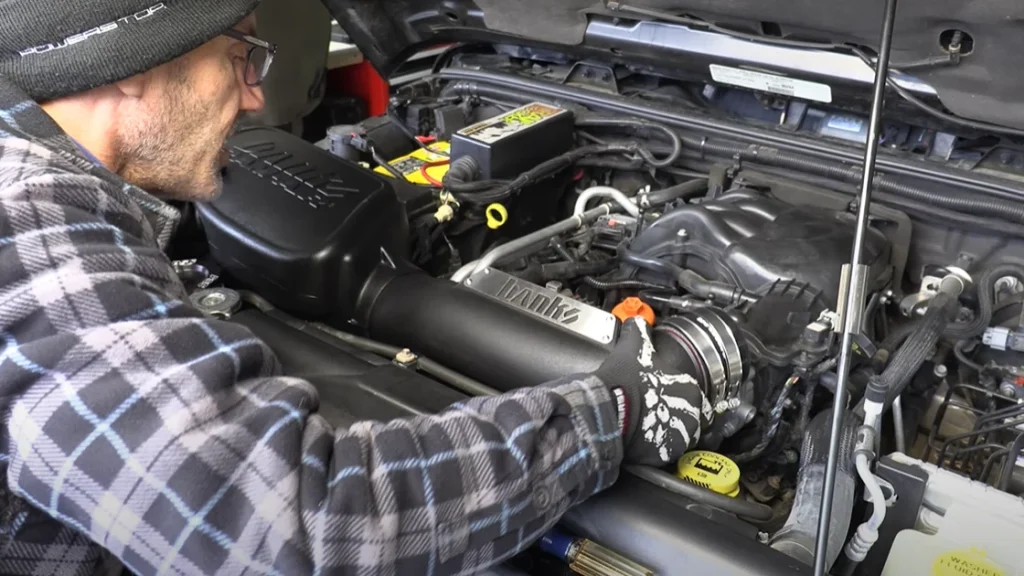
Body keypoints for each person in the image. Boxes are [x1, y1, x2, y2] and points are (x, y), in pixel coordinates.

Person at [0, 1, 712, 574]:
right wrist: (610, 412)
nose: (254, 97)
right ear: (129, 65)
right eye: (241, 54)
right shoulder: (32, 229)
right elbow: (299, 526)